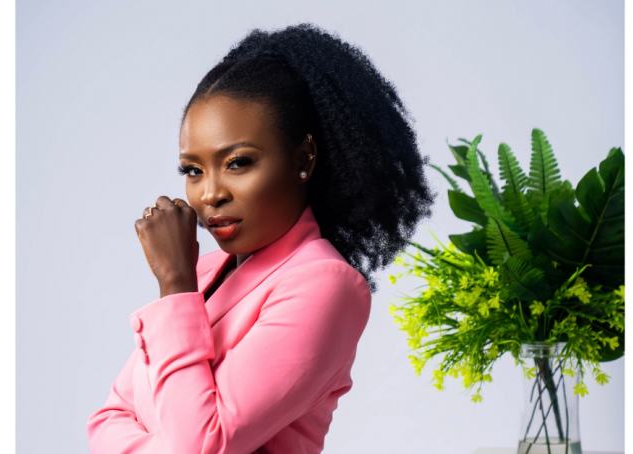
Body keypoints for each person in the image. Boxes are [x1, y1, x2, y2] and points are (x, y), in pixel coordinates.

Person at [86, 22, 435, 454]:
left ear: (303, 159)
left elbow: (199, 445)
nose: (210, 193)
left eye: (237, 162)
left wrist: (174, 285)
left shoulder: (324, 284)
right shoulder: (208, 272)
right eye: (193, 170)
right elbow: (107, 420)